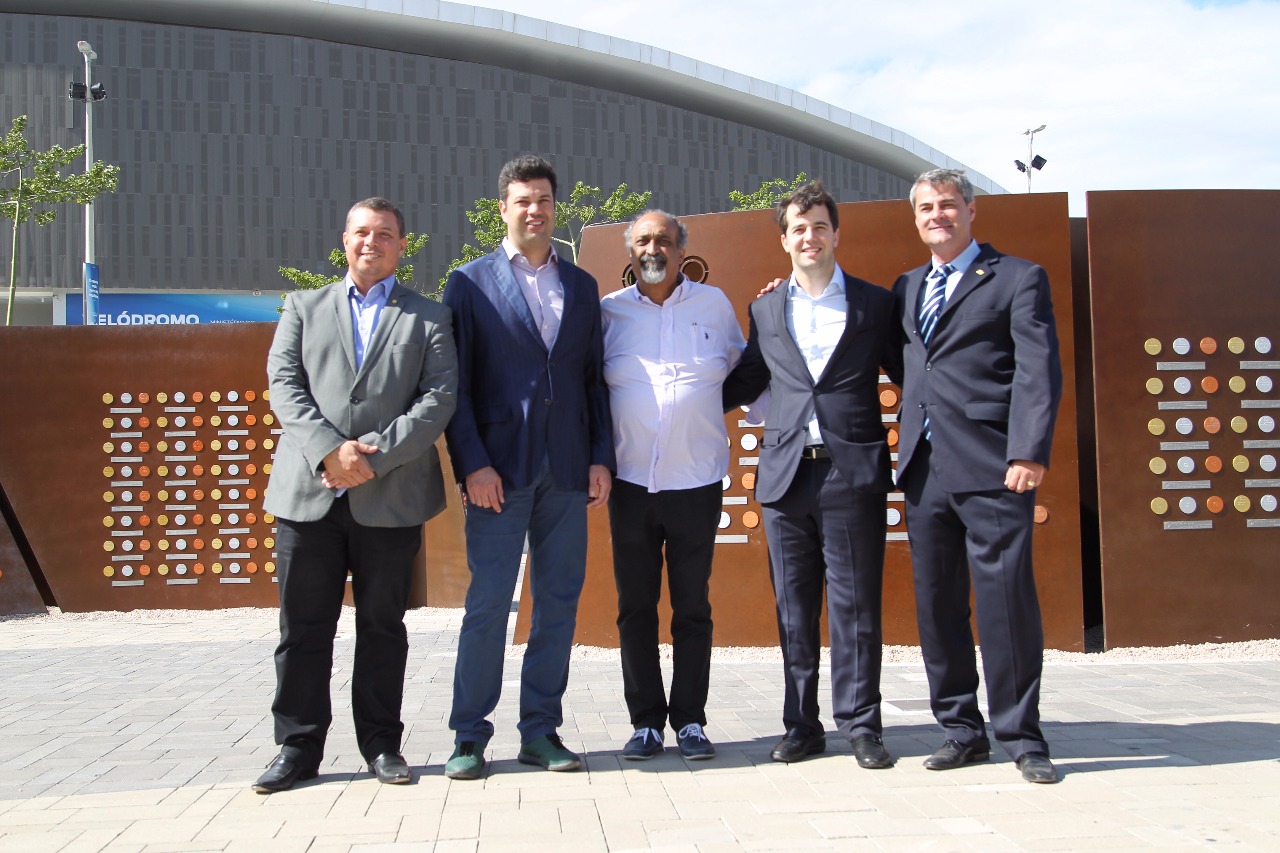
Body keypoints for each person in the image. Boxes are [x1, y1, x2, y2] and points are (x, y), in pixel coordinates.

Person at [254, 197, 458, 793]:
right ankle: (297, 747)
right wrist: (329, 452)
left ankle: (381, 743)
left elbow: (437, 398)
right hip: (307, 494)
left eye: (386, 234)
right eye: (362, 232)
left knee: (383, 626)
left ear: (402, 245)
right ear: (344, 239)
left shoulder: (428, 317)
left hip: (388, 494)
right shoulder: (302, 307)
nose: (373, 242)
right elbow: (284, 384)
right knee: (302, 627)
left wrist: (370, 458)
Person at [441, 155, 615, 779]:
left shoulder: (583, 286)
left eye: (543, 198)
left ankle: (541, 730)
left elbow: (592, 379)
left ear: (553, 207)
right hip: (499, 472)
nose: (534, 209)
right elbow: (453, 387)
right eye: (522, 200)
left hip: (567, 470)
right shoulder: (467, 282)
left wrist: (600, 456)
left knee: (558, 603)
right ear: (503, 208)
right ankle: (469, 736)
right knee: (489, 603)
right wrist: (472, 465)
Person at [891, 167, 1063, 784]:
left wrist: (1029, 452)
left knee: (1005, 603)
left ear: (970, 211)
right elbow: (900, 356)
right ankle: (962, 729)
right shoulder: (908, 286)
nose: (937, 215)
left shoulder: (1017, 277)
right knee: (937, 605)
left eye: (948, 205)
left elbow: (1038, 370)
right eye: (926, 207)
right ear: (915, 218)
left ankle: (1021, 736)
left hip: (995, 464)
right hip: (925, 469)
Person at [722, 182, 900, 769]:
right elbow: (748, 376)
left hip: (852, 474)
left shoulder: (874, 304)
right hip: (785, 476)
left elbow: (910, 373)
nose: (810, 236)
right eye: (799, 228)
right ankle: (801, 724)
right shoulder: (767, 308)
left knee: (856, 607)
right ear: (784, 240)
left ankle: (861, 725)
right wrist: (679, 400)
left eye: (819, 226)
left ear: (835, 234)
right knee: (794, 609)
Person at [600, 210, 745, 761]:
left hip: (696, 481)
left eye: (663, 238)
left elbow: (743, 372)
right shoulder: (609, 314)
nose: (653, 247)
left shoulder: (714, 306)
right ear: (630, 251)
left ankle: (690, 719)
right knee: (634, 607)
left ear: (681, 248)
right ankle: (644, 723)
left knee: (692, 607)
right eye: (643, 240)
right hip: (630, 483)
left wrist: (697, 411)